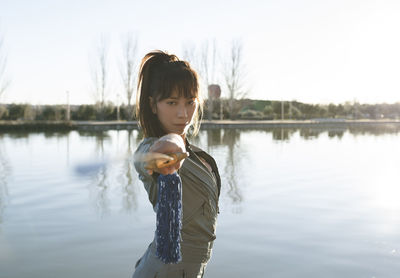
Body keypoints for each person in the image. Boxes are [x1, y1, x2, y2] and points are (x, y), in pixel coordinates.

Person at [132, 50, 221, 278]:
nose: (183, 114)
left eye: (190, 102)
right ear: (153, 105)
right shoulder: (153, 148)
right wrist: (170, 143)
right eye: (172, 102)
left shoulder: (198, 155)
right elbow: (147, 158)